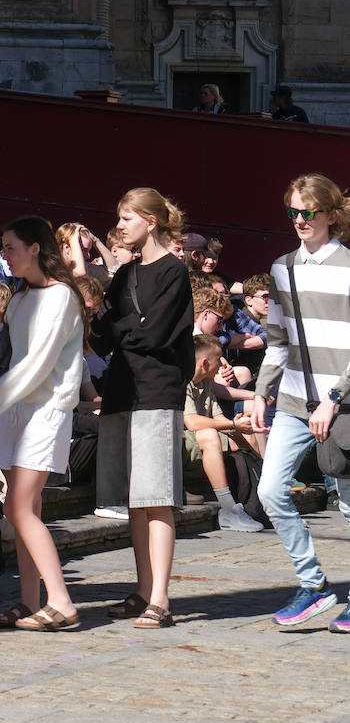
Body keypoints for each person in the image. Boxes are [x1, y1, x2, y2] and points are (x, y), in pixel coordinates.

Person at [0, 216, 86, 631]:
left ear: (35, 248)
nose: (5, 254)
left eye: (12, 246)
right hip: (18, 408)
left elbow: (39, 365)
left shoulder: (62, 298)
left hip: (45, 409)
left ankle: (62, 601)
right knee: (25, 508)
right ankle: (29, 600)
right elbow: (16, 358)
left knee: (18, 507)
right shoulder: (20, 298)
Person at [94, 187, 195, 630]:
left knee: (157, 499)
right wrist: (123, 324)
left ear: (150, 222)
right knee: (136, 499)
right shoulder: (123, 275)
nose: (121, 226)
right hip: (122, 389)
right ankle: (141, 589)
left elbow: (155, 336)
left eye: (128, 218)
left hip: (156, 390)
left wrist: (124, 328)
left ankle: (161, 598)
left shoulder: (174, 271)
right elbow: (101, 337)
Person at [253, 174, 350, 630]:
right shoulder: (280, 268)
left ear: (331, 214)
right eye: (292, 212)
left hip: (344, 404)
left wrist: (334, 397)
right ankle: (314, 585)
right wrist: (260, 391)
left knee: (349, 506)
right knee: (270, 490)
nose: (299, 221)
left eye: (307, 212)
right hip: (293, 401)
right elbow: (277, 340)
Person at [183, 333, 262, 532]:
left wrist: (236, 426)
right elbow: (192, 422)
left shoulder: (206, 382)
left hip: (197, 437)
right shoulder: (181, 382)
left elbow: (218, 418)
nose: (223, 366)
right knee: (210, 435)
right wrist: (232, 426)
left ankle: (265, 499)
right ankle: (228, 510)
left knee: (246, 435)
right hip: (177, 442)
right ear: (204, 363)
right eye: (219, 360)